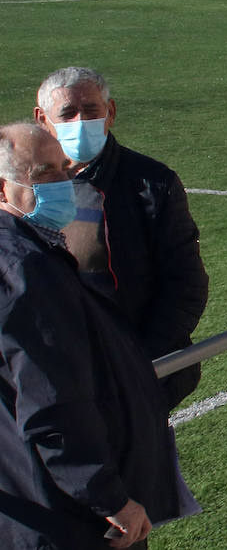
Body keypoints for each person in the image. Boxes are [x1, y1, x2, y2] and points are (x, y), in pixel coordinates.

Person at [0, 123, 200, 550]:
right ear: (3, 188)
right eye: (43, 174)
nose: (63, 183)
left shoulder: (30, 254)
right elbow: (52, 403)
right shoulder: (25, 270)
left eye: (63, 169)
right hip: (63, 517)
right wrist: (108, 497)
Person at [33, 67, 209, 409]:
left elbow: (185, 284)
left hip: (133, 378)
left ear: (110, 112)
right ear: (43, 119)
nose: (81, 121)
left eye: (91, 111)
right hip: (52, 377)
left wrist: (140, 363)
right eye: (68, 113)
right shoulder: (22, 186)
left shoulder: (151, 184)